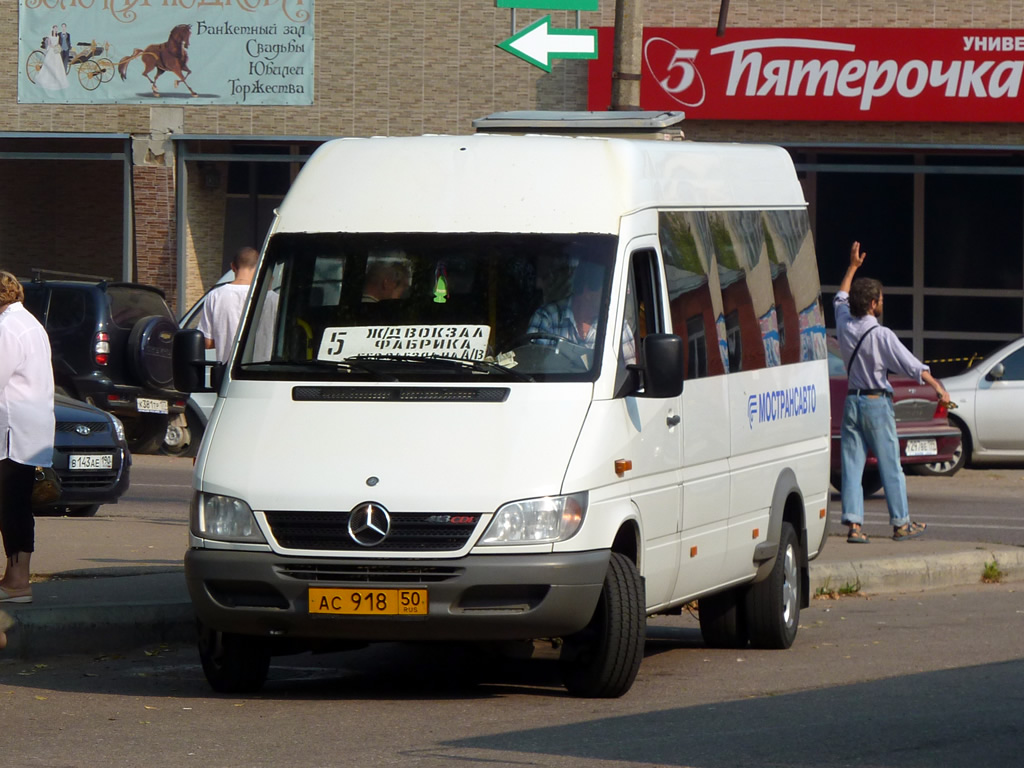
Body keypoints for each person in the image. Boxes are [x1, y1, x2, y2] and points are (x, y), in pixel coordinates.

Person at [836, 241, 950, 543]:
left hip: (851, 403)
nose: (882, 302)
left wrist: (852, 267)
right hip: (875, 404)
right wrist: (937, 386)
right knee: (890, 465)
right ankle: (901, 524)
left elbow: (839, 297)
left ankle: (854, 527)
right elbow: (911, 365)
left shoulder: (844, 325)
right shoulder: (881, 335)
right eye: (881, 299)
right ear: (873, 303)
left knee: (851, 467)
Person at [0, 271, 56, 604]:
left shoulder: (7, 327)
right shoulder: (31, 324)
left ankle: (19, 580)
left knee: (11, 503)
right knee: (15, 501)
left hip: (12, 428)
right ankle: (14, 575)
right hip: (30, 426)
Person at [527, 259, 636, 364]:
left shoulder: (616, 324)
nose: (610, 298)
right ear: (587, 291)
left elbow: (630, 370)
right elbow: (533, 365)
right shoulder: (547, 318)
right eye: (606, 292)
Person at [198, 246, 259, 364]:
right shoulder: (271, 298)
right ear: (259, 267)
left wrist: (225, 337)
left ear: (232, 267)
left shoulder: (215, 296)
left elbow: (207, 342)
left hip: (228, 372)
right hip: (263, 372)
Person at [34, 25, 69, 91]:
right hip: (51, 51)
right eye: (55, 28)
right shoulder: (50, 36)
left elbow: (57, 43)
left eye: (56, 29)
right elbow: (49, 44)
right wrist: (53, 47)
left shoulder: (57, 36)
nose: (56, 29)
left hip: (56, 52)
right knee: (49, 64)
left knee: (58, 64)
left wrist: (57, 47)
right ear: (53, 29)